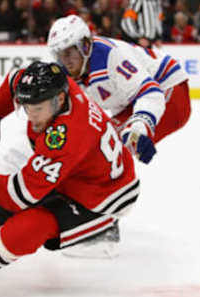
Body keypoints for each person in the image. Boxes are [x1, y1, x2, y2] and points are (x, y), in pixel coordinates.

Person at [0, 61, 140, 297]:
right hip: (75, 174)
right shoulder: (56, 86)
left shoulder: (67, 136)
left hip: (103, 199)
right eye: (27, 108)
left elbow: (23, 194)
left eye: (38, 109)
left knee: (31, 226)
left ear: (58, 100)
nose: (31, 117)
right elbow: (14, 79)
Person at [47, 14, 191, 257]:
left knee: (106, 150)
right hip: (133, 102)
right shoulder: (67, 71)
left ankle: (103, 228)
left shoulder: (110, 56)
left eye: (70, 51)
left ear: (85, 45)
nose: (65, 60)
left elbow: (150, 92)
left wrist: (140, 126)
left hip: (168, 93)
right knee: (96, 147)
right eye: (60, 54)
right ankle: (97, 219)